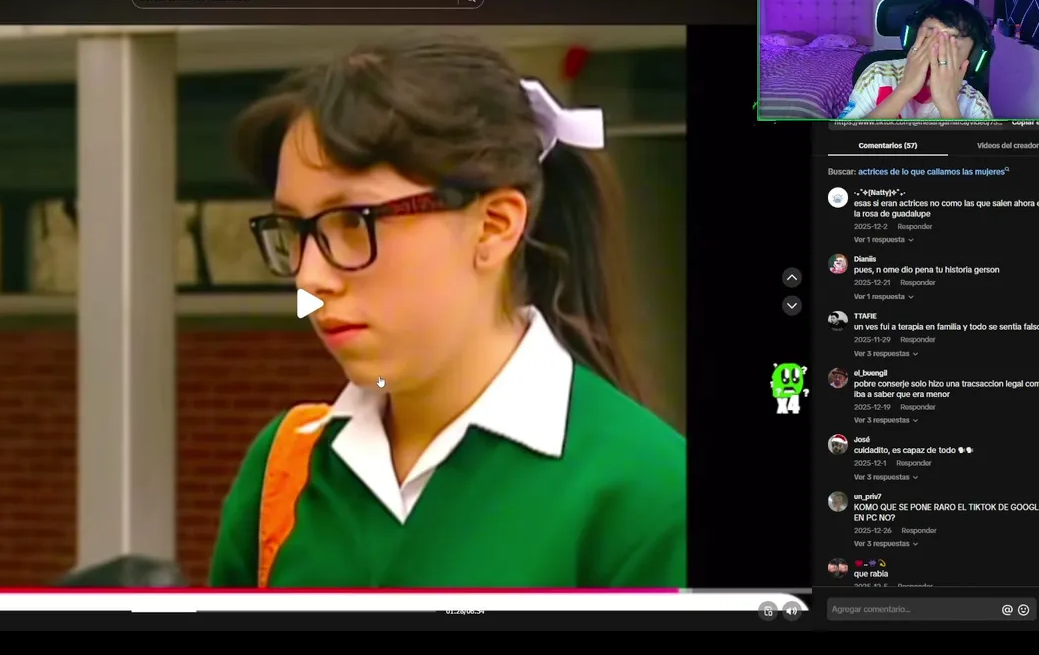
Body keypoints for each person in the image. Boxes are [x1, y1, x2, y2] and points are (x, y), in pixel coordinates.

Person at [208, 34, 687, 589]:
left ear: (494, 226)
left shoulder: (647, 491)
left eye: (354, 221)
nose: (309, 278)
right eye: (295, 230)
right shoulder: (284, 471)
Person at [839, 0, 994, 120]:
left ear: (973, 56)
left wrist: (949, 107)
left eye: (952, 40)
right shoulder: (877, 74)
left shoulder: (975, 104)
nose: (937, 47)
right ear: (913, 37)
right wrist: (904, 90)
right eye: (930, 33)